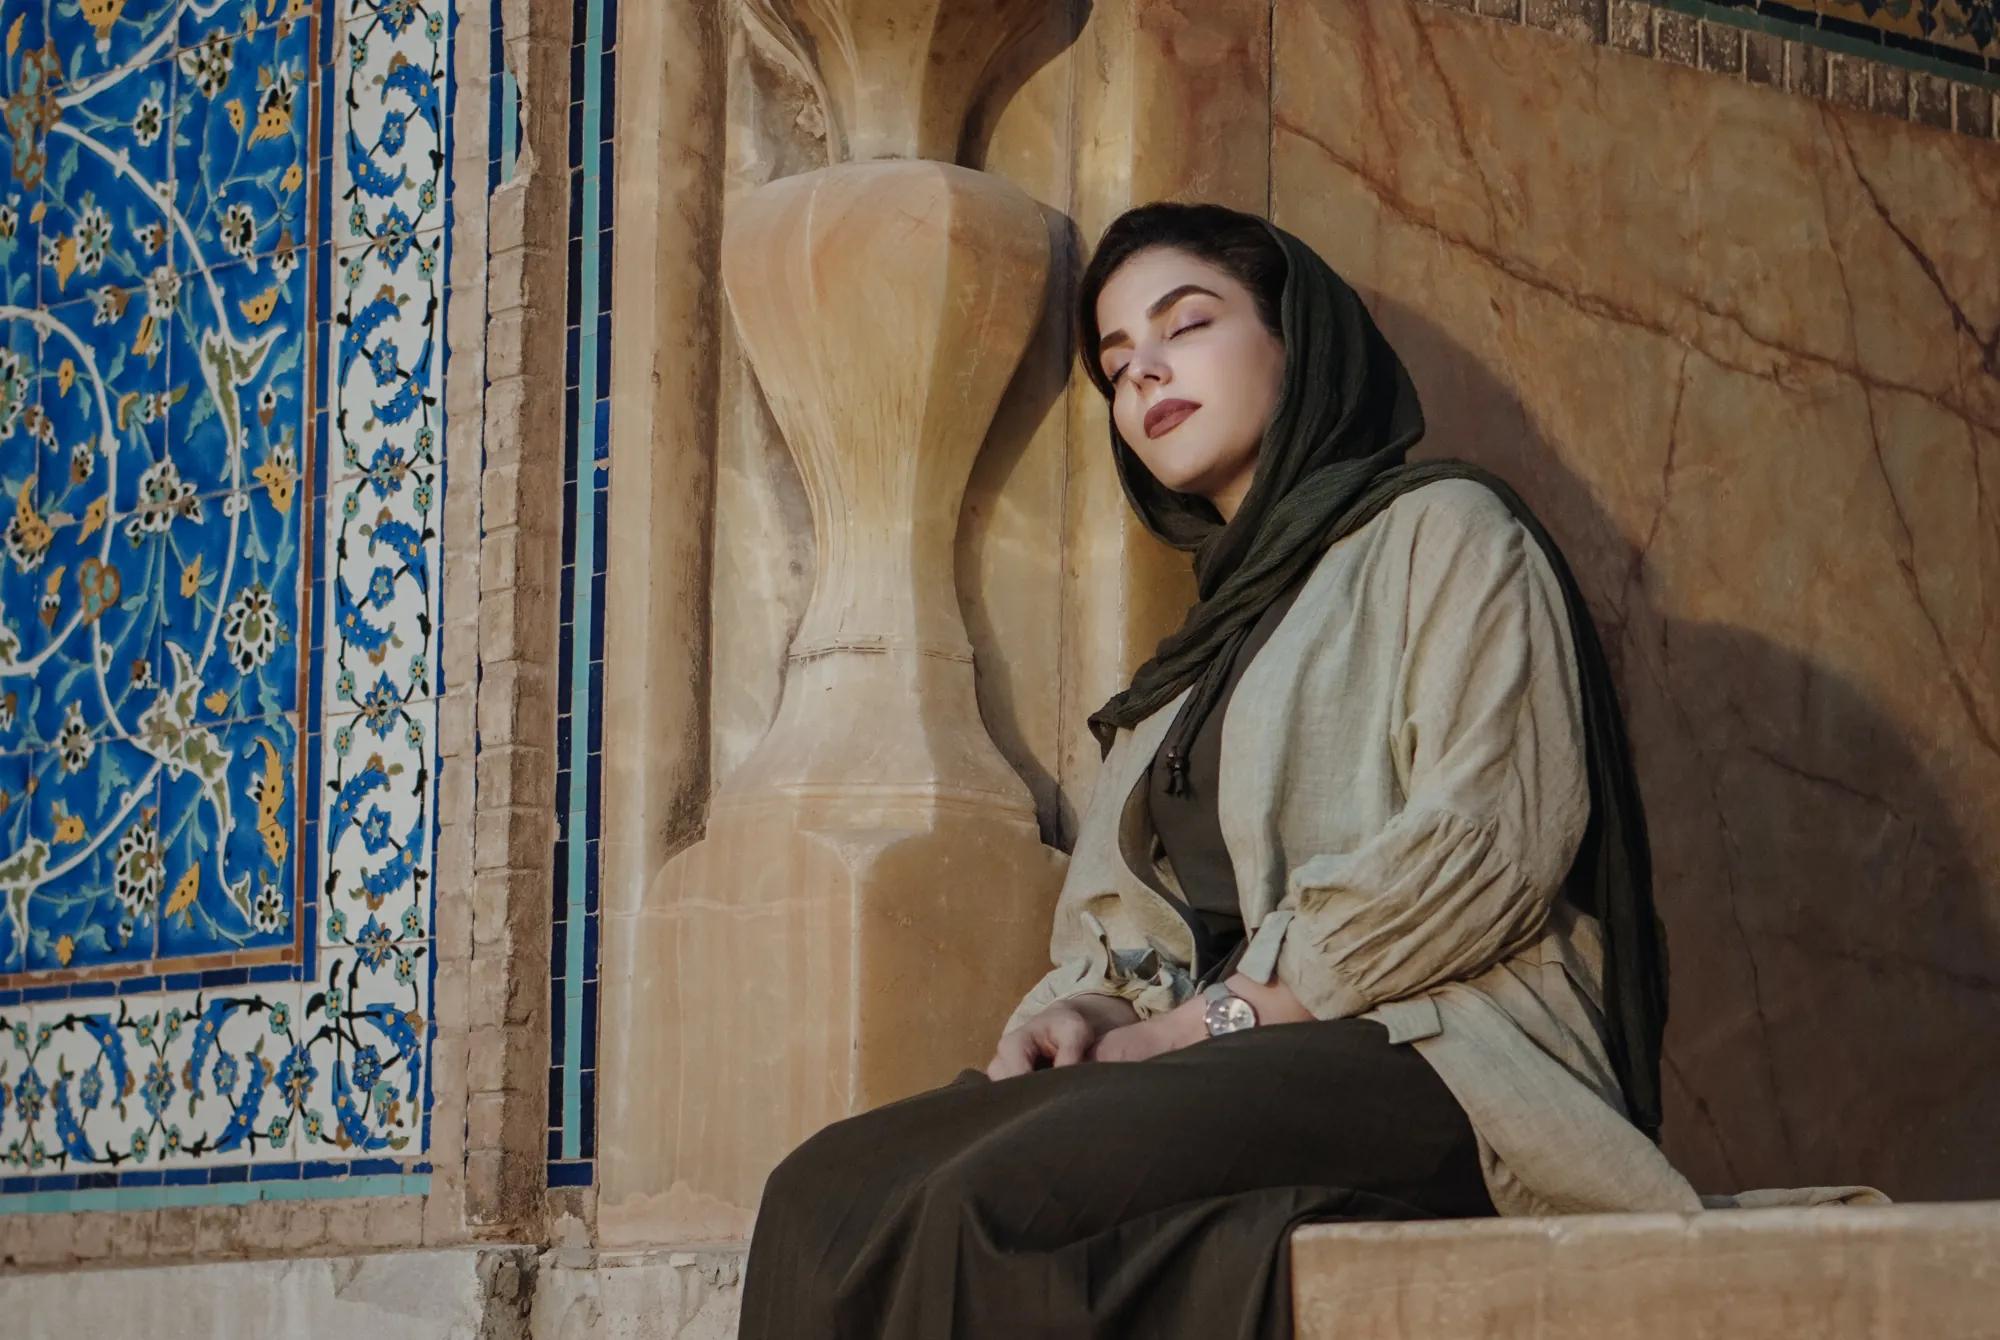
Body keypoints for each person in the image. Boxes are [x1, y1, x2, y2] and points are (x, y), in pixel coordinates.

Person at [737, 202, 1880, 1340]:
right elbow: (1120, 927)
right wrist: (1087, 1006)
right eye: (1116, 361)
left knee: (1004, 1203)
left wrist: (1209, 1022)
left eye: (1183, 324)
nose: (1144, 374)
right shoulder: (1177, 675)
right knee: (821, 1195)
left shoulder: (1448, 534)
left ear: (1296, 336)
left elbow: (1485, 846)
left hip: (1442, 1048)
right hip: (1216, 1060)